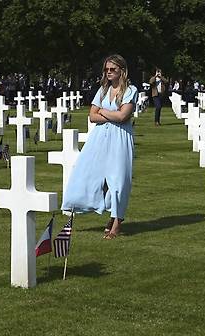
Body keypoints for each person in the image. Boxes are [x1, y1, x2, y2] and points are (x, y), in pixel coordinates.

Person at [61, 54, 138, 239]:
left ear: (122, 70)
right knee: (87, 172)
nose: (109, 72)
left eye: (113, 69)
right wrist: (110, 112)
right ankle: (88, 206)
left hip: (120, 138)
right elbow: (91, 116)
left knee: (118, 179)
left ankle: (116, 222)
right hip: (99, 137)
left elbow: (123, 117)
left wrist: (103, 111)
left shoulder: (130, 90)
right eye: (107, 69)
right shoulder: (103, 90)